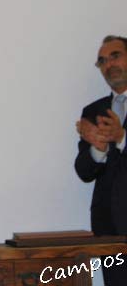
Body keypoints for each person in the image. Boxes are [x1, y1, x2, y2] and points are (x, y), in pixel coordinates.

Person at [75, 35, 127, 285]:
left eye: (115, 56)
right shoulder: (93, 111)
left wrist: (122, 137)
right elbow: (84, 171)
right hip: (110, 231)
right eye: (102, 61)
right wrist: (98, 149)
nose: (109, 65)